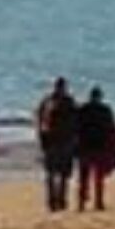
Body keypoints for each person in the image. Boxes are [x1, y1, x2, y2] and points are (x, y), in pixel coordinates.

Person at [75, 85, 115, 212]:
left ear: (90, 96)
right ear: (100, 97)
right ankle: (98, 202)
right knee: (98, 177)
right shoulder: (105, 110)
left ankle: (81, 203)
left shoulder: (83, 109)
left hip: (84, 146)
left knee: (84, 177)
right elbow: (111, 128)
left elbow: (76, 128)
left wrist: (75, 145)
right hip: (99, 146)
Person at [35, 75, 80, 212]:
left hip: (54, 141)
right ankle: (58, 200)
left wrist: (42, 139)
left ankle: (54, 200)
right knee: (61, 173)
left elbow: (40, 122)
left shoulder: (48, 101)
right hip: (62, 141)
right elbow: (76, 122)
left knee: (54, 173)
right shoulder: (68, 102)